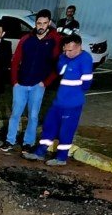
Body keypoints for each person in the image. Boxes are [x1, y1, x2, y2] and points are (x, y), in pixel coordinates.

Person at [23, 33, 93, 166]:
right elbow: (60, 71)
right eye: (65, 49)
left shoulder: (85, 59)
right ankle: (40, 152)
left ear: (79, 47)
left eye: (70, 50)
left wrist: (74, 93)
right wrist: (64, 58)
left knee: (66, 131)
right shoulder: (64, 57)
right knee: (49, 126)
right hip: (59, 102)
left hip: (72, 104)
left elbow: (86, 84)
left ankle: (61, 158)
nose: (67, 53)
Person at [2, 9, 61, 152]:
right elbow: (16, 60)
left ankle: (28, 143)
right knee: (15, 114)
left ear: (49, 23)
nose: (41, 26)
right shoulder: (26, 39)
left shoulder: (54, 40)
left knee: (33, 116)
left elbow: (57, 64)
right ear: (35, 23)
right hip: (21, 84)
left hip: (38, 85)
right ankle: (10, 141)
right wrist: (15, 81)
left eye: (44, 23)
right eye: (39, 23)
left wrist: (45, 82)